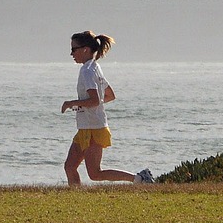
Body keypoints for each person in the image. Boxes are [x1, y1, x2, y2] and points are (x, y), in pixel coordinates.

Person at [60, 31, 155, 186]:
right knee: (70, 166)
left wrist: (72, 103)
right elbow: (109, 95)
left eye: (74, 49)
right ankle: (75, 197)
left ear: (85, 49)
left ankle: (140, 179)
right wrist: (84, 105)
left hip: (94, 129)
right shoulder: (94, 67)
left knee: (95, 173)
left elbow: (95, 100)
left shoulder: (88, 71)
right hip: (86, 127)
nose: (71, 54)